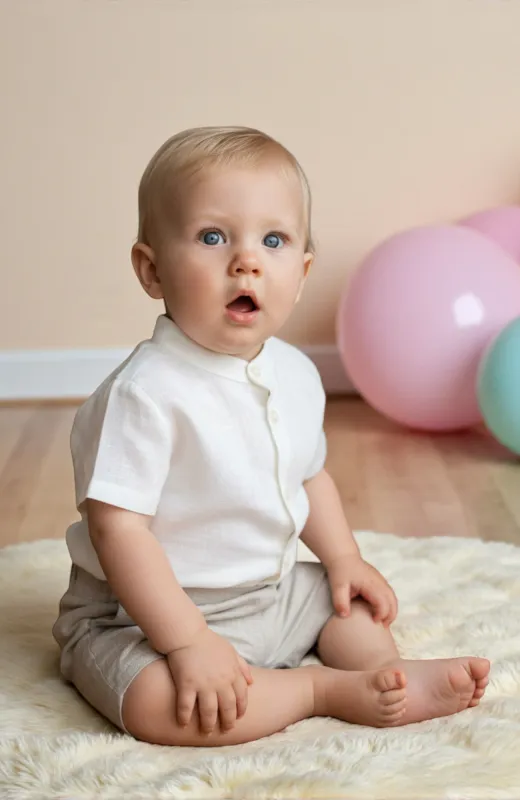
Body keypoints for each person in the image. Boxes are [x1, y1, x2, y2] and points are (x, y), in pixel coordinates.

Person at [53, 126, 490, 747]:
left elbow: (308, 475)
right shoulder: (144, 395)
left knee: (349, 606)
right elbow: (117, 531)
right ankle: (319, 691)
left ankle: (382, 674)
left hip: (267, 590)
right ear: (152, 270)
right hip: (139, 616)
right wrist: (188, 641)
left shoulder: (295, 373)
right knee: (159, 705)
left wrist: (343, 558)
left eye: (274, 240)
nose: (246, 261)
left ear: (302, 272)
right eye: (212, 237)